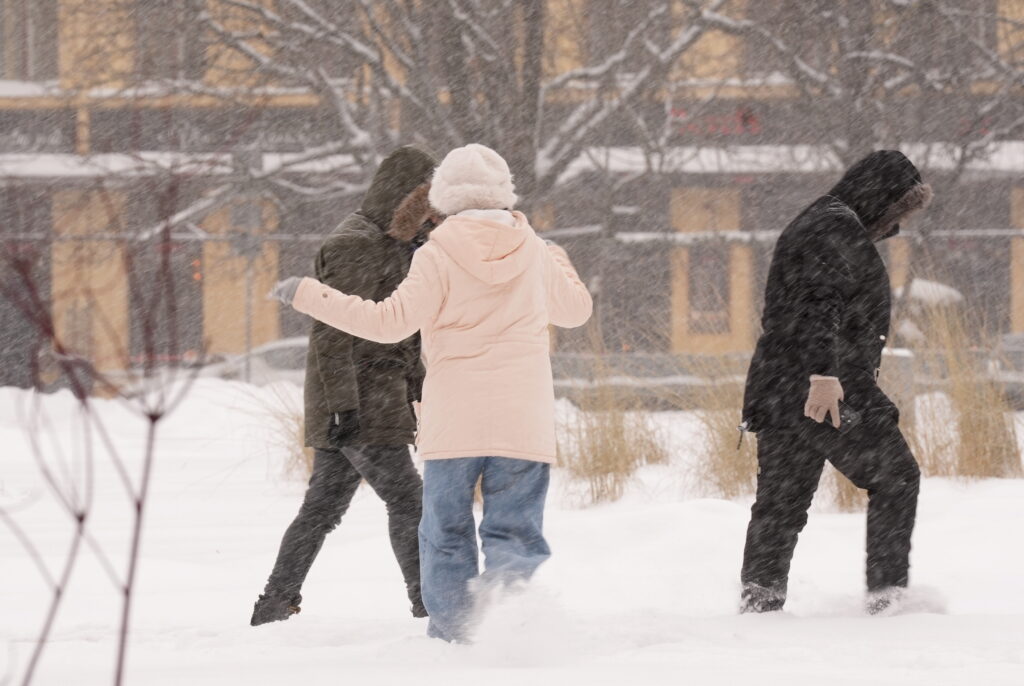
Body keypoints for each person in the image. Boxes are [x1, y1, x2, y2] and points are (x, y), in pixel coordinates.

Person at [271, 143, 593, 642]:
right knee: (514, 533)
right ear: (502, 191)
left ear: (444, 196)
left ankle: (456, 637)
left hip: (454, 423)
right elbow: (575, 311)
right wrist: (560, 260)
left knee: (445, 535)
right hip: (522, 419)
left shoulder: (436, 254)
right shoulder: (535, 249)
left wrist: (309, 293)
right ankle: (510, 620)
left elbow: (386, 323)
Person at [251, 146, 440, 626]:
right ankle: (428, 604)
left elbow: (407, 329)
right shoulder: (354, 243)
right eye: (426, 200)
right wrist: (342, 408)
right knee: (407, 500)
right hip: (360, 398)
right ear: (404, 196)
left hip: (374, 395)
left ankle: (274, 606)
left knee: (321, 509)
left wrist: (418, 388)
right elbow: (333, 331)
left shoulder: (400, 244)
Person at [738, 150, 933, 615]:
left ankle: (759, 605)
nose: (893, 226)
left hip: (781, 387)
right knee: (896, 477)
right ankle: (888, 601)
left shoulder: (823, 221)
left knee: (781, 504)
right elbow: (817, 304)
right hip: (823, 388)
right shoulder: (833, 228)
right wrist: (824, 377)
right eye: (895, 213)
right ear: (879, 198)